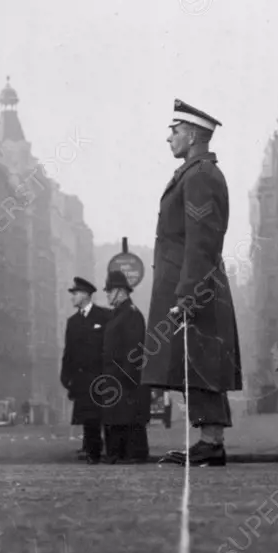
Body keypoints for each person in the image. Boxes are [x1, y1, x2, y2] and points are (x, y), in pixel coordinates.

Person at [141, 99, 242, 467]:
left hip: (195, 287)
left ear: (194, 135)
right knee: (194, 363)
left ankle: (211, 441)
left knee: (201, 364)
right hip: (191, 284)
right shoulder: (193, 173)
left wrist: (187, 294)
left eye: (175, 130)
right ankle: (208, 440)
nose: (169, 137)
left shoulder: (199, 176)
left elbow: (202, 239)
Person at [100, 269, 151, 463]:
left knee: (127, 419)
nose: (107, 295)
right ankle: (118, 454)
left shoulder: (131, 315)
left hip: (125, 381)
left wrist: (126, 378)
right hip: (115, 379)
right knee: (117, 419)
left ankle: (129, 454)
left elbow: (133, 350)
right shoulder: (118, 314)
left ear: (120, 291)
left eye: (109, 291)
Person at [60, 276, 112, 464]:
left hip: (100, 377)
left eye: (75, 293)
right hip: (82, 379)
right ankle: (93, 452)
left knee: (103, 416)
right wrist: (66, 377)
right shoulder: (72, 322)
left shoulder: (104, 316)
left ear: (86, 295)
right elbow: (69, 352)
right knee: (88, 418)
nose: (72, 297)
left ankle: (107, 451)